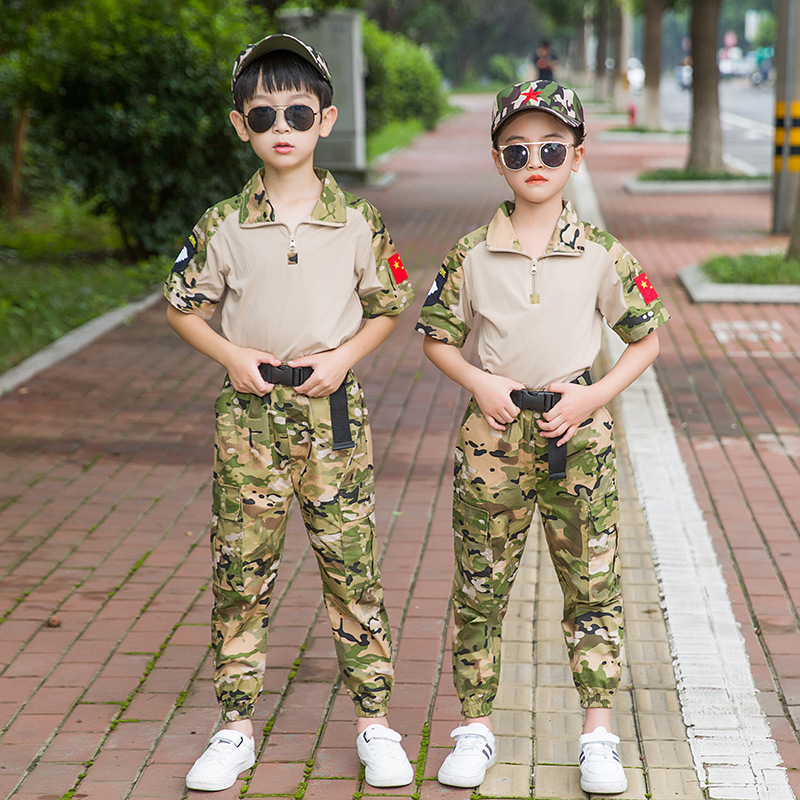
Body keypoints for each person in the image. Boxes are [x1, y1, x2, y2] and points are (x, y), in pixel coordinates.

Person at [163, 33, 417, 792]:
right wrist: (231, 357)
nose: (282, 125)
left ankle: (375, 723)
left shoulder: (358, 220)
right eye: (263, 111)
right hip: (251, 417)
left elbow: (388, 303)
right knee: (241, 571)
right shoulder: (222, 223)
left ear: (326, 121)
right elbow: (182, 305)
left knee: (353, 570)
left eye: (298, 112)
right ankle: (235, 726)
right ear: (240, 125)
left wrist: (344, 358)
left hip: (332, 412)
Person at [416, 80, 669, 793]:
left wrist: (592, 394)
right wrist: (479, 381)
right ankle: (475, 727)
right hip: (492, 437)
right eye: (518, 148)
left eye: (552, 148)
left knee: (591, 586)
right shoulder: (472, 252)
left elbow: (645, 340)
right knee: (479, 587)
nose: (536, 160)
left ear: (578, 158)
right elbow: (435, 338)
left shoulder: (599, 252)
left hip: (576, 441)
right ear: (498, 159)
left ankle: (597, 734)